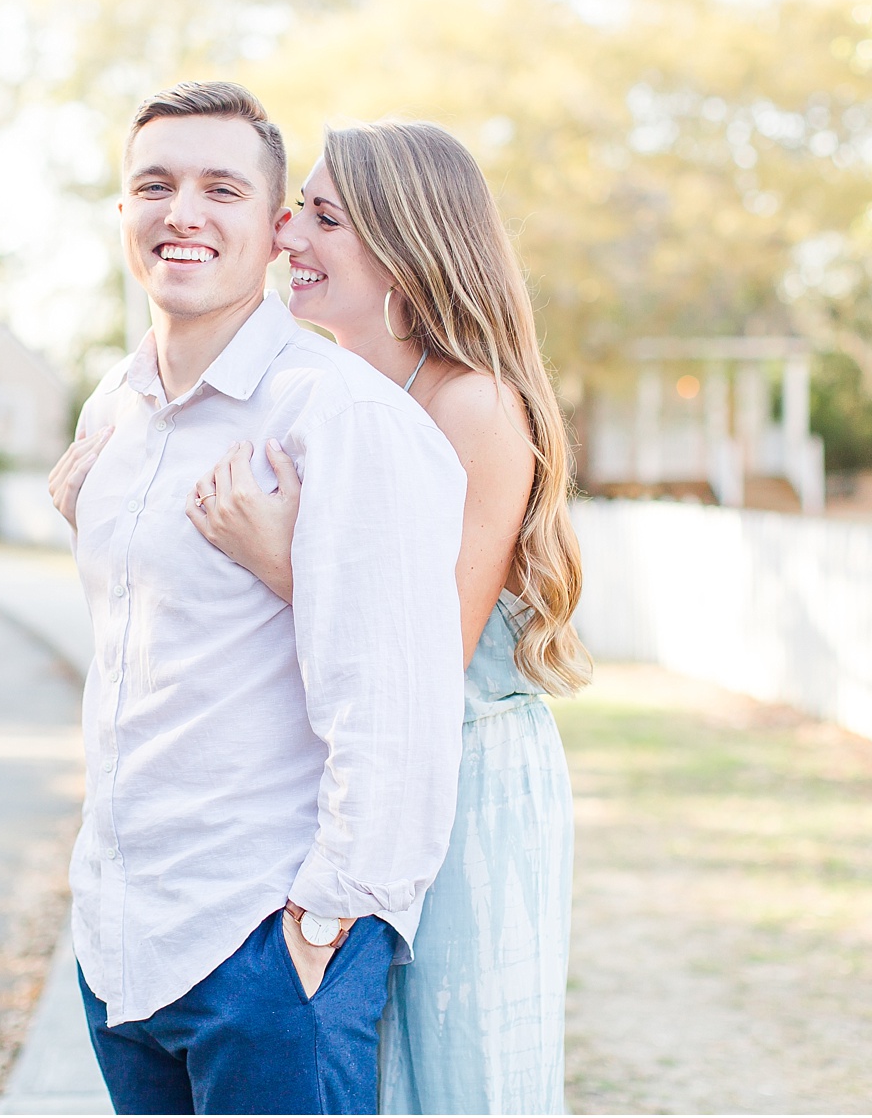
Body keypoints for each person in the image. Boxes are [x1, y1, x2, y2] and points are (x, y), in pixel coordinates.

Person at [45, 82, 468, 1115]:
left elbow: (398, 692)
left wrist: (323, 921)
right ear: (123, 214)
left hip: (264, 946)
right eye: (156, 184)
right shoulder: (115, 410)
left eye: (219, 187)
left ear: (274, 226)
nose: (182, 211)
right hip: (123, 939)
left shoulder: (339, 415)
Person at [185, 120, 590, 1114]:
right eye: (293, 213)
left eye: (323, 217)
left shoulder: (475, 408)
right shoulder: (337, 393)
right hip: (356, 779)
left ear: (405, 243)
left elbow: (424, 656)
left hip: (461, 778)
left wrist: (280, 556)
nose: (286, 238)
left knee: (451, 1080)